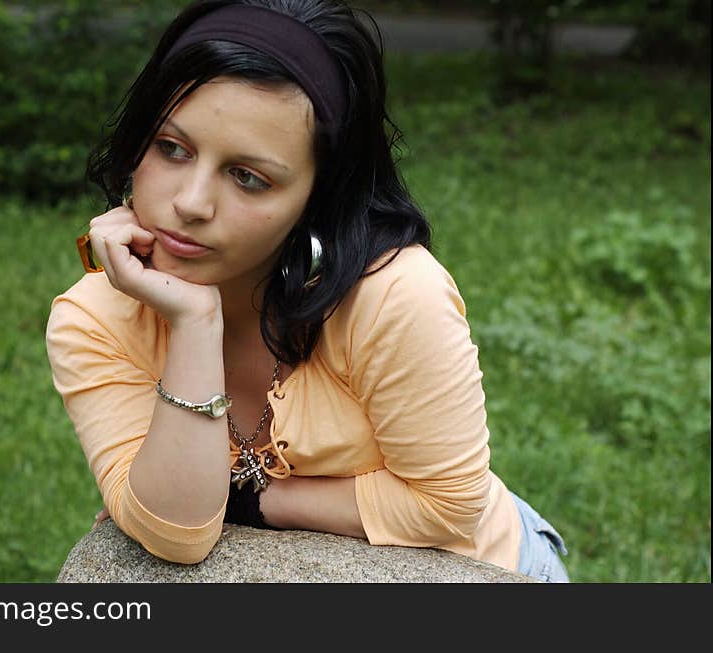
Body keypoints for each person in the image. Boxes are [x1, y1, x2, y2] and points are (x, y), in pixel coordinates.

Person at [45, 0, 569, 582]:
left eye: (249, 177)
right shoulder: (94, 318)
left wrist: (245, 501)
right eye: (172, 148)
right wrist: (194, 322)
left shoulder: (394, 294)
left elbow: (446, 506)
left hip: (482, 570)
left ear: (316, 198)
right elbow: (174, 530)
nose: (190, 203)